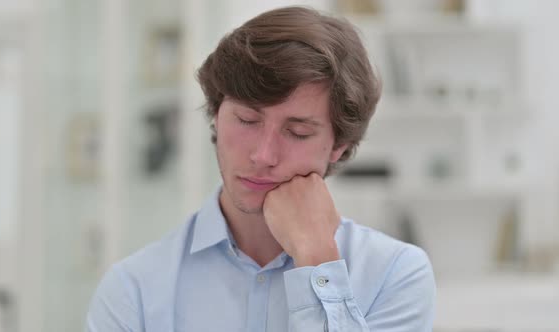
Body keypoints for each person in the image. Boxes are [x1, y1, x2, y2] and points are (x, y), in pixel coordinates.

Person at [86, 6, 435, 332]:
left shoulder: (395, 274)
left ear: (338, 146)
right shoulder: (133, 290)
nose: (264, 154)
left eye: (296, 132)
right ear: (216, 117)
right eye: (246, 119)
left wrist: (316, 260)